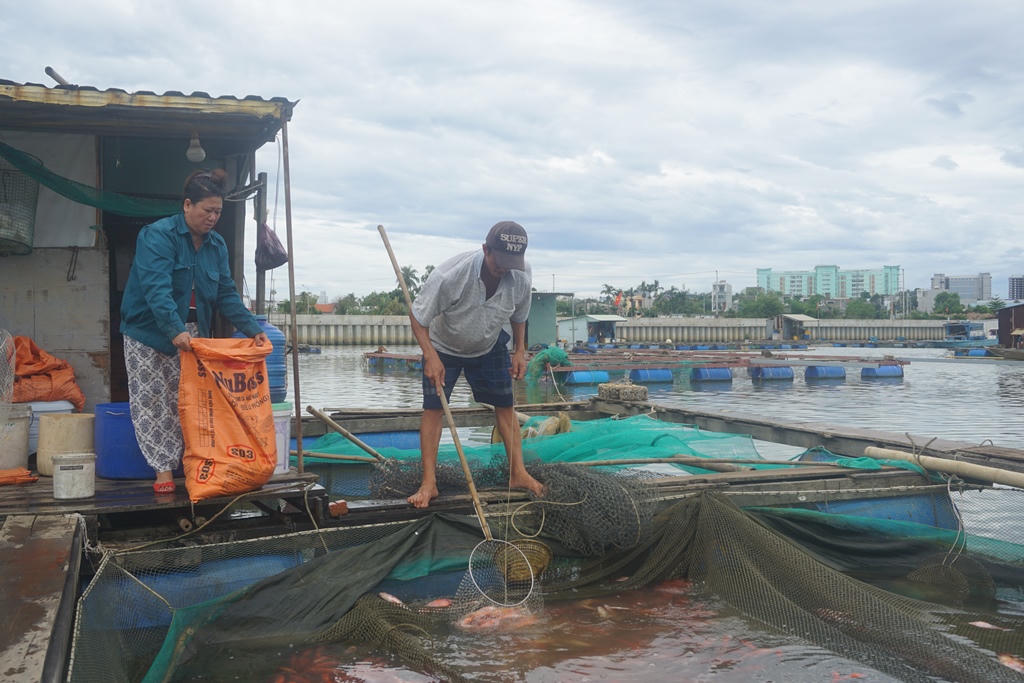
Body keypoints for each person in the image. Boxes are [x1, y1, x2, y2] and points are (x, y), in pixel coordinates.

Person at [120, 169, 268, 494]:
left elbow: (226, 293)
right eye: (208, 211)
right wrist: (173, 329)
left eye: (218, 212)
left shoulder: (216, 246)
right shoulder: (157, 236)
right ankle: (162, 471)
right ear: (187, 205)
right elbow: (156, 290)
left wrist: (251, 328)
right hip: (147, 330)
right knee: (151, 401)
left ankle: (192, 466)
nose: (214, 217)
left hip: (189, 332)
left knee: (187, 401)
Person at [407, 220, 544, 508]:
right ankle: (428, 483)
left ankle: (518, 473)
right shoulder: (450, 276)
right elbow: (419, 318)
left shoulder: (521, 274)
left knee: (506, 406)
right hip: (444, 346)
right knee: (433, 410)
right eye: (499, 261)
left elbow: (520, 314)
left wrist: (519, 350)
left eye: (511, 263)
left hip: (489, 342)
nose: (504, 268)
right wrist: (430, 356)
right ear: (485, 250)